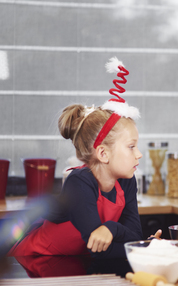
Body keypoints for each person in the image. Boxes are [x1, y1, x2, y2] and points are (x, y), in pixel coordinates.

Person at [8, 57, 158, 259]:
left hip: (72, 264)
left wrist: (115, 230)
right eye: (131, 147)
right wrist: (143, 247)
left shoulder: (127, 182)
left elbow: (133, 236)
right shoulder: (79, 182)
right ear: (103, 153)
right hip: (33, 262)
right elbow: (97, 249)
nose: (139, 154)